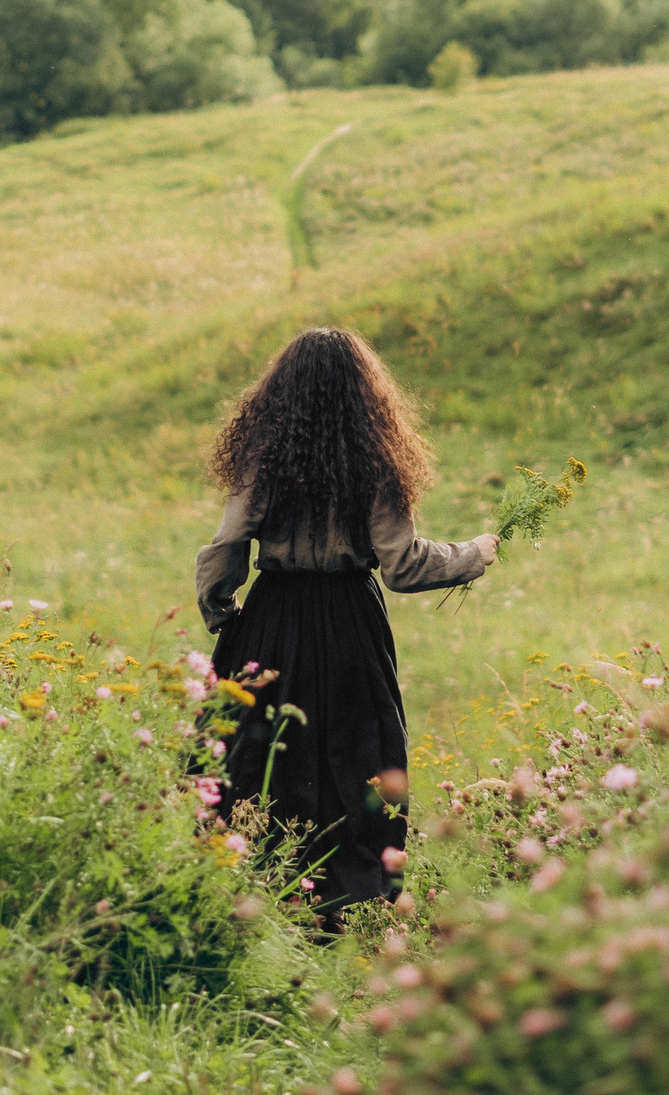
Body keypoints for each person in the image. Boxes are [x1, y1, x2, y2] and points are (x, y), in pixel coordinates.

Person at [194, 327, 496, 914]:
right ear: (366, 391)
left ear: (280, 390)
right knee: (358, 751)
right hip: (350, 622)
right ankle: (353, 900)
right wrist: (474, 553)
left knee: (258, 752)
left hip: (273, 616)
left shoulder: (264, 456)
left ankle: (255, 885)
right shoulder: (375, 461)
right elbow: (403, 565)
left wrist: (221, 609)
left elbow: (228, 544)